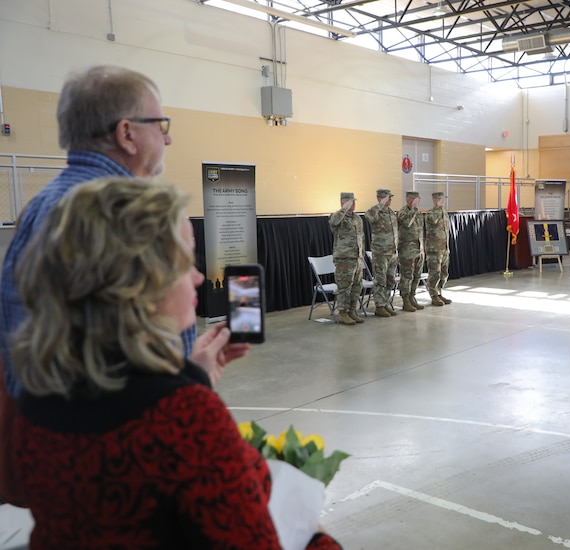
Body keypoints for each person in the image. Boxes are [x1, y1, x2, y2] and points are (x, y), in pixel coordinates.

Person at [10, 177, 342, 549]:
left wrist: (194, 377)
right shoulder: (184, 418)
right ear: (140, 283)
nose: (199, 277)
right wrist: (313, 531)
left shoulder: (37, 390)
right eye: (185, 262)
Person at [0, 65, 248, 400]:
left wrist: (191, 372)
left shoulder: (41, 207)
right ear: (127, 133)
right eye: (160, 125)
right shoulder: (121, 219)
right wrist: (185, 397)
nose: (168, 137)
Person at [329, 191, 365, 325]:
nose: (354, 204)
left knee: (357, 286)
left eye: (354, 202)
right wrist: (343, 208)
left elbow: (361, 237)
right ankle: (342, 313)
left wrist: (361, 254)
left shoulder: (357, 218)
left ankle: (352, 311)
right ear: (343, 202)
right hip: (344, 258)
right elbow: (333, 222)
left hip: (356, 257)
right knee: (344, 287)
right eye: (351, 202)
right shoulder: (337, 216)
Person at [365, 188, 399, 318]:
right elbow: (369, 218)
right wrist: (380, 204)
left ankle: (385, 303)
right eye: (387, 198)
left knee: (390, 280)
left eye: (390, 198)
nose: (390, 200)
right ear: (379, 198)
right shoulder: (374, 212)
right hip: (380, 253)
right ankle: (379, 306)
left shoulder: (391, 212)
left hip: (392, 252)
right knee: (380, 280)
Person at [397, 190, 426, 312]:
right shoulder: (403, 212)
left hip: (418, 249)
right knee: (407, 276)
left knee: (416, 275)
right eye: (416, 200)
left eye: (418, 200)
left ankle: (412, 297)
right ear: (409, 200)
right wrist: (413, 209)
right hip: (407, 251)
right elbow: (407, 223)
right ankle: (405, 300)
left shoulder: (418, 214)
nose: (418, 202)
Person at [425, 191, 451, 305]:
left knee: (444, 273)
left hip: (444, 248)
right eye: (441, 199)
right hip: (434, 249)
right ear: (435, 200)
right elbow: (433, 220)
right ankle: (433, 295)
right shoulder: (431, 212)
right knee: (434, 273)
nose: (444, 201)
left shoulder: (444, 213)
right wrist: (437, 206)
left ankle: (439, 292)